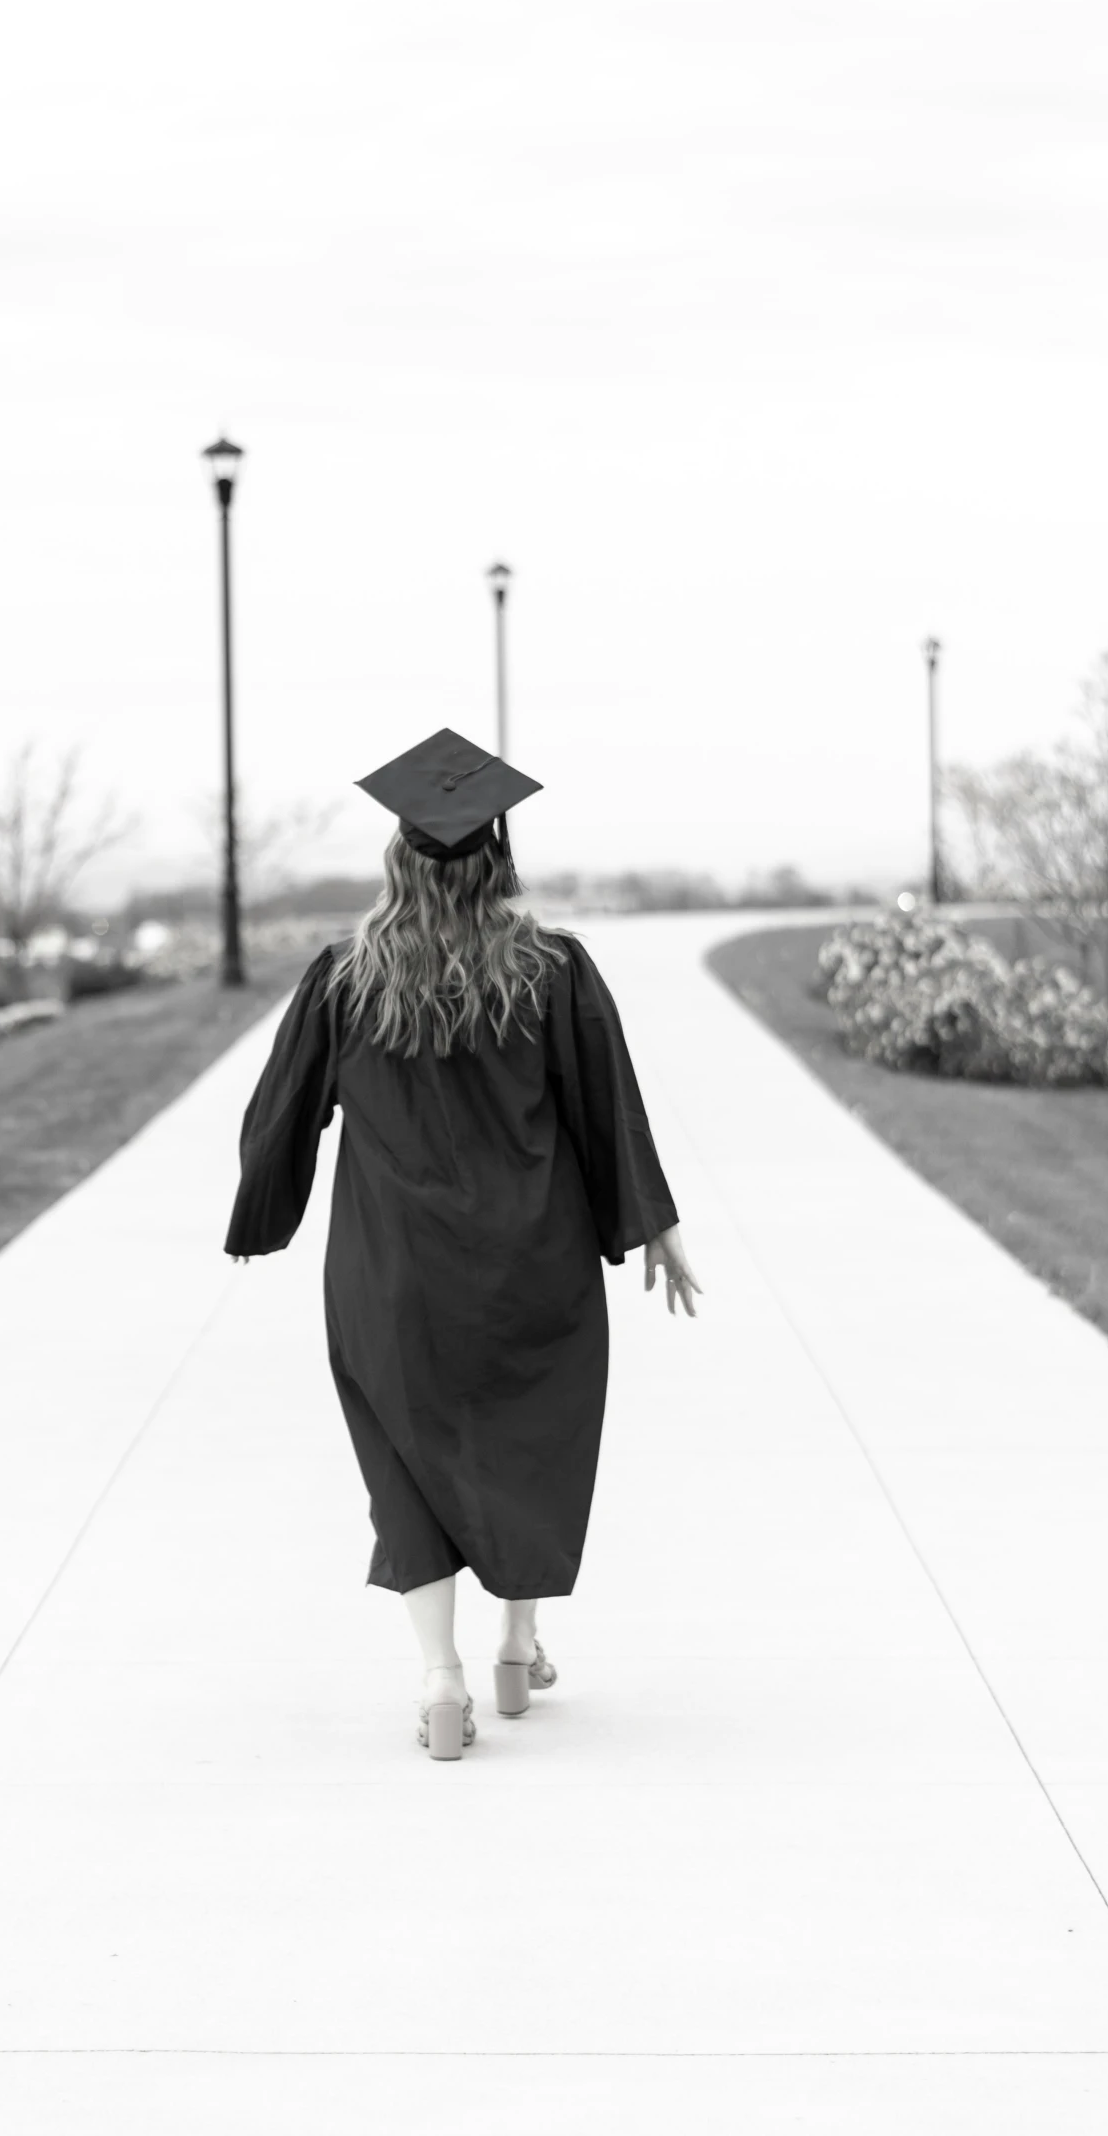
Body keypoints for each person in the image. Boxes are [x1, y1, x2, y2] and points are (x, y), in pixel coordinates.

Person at [224, 726, 703, 1760]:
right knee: (529, 1437)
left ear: (398, 856)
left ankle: (440, 1679)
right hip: (531, 1263)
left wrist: (263, 1209)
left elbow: (278, 1119)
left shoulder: (344, 980)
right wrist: (652, 1225)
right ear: (500, 859)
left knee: (406, 1460)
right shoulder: (555, 971)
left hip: (390, 1271)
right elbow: (605, 1109)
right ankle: (516, 1644)